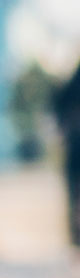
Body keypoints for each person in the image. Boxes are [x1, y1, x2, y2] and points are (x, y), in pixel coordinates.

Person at [58, 61, 80, 247]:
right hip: (75, 148)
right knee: (74, 198)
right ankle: (76, 244)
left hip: (74, 146)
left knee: (74, 198)